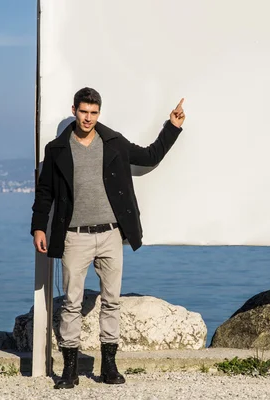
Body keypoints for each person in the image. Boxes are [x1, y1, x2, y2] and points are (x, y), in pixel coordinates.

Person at [30, 87, 185, 389]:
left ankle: (109, 367)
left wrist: (173, 127)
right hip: (75, 237)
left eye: (93, 113)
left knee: (112, 302)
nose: (88, 118)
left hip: (111, 235)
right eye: (83, 111)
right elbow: (45, 191)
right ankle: (70, 370)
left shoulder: (113, 142)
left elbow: (149, 156)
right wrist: (38, 227)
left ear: (99, 113)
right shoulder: (57, 149)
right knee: (72, 303)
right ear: (74, 109)